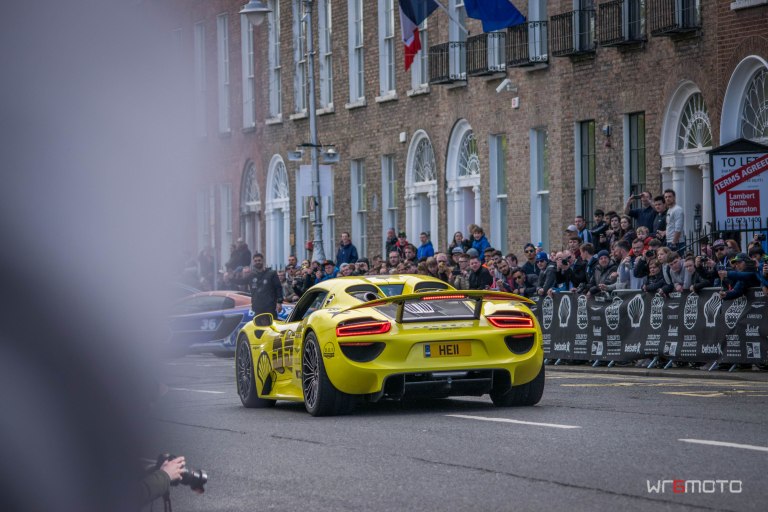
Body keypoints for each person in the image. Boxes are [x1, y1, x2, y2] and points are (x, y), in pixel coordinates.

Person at [663, 189, 684, 254]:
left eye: (669, 196)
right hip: (669, 241)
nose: (667, 198)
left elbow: (678, 228)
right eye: (666, 197)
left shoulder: (677, 209)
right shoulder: (669, 210)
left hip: (676, 243)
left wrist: (673, 243)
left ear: (674, 197)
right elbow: (670, 225)